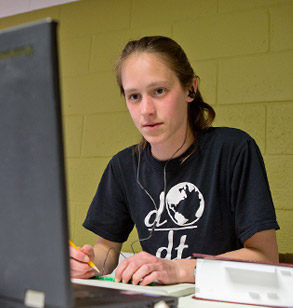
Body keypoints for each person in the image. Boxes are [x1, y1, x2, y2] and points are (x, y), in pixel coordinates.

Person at [70, 36, 279, 286]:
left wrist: (178, 270)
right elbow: (108, 250)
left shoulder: (233, 149)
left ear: (190, 88)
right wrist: (89, 263)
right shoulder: (122, 166)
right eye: (134, 96)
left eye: (159, 91)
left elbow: (265, 257)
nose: (146, 110)